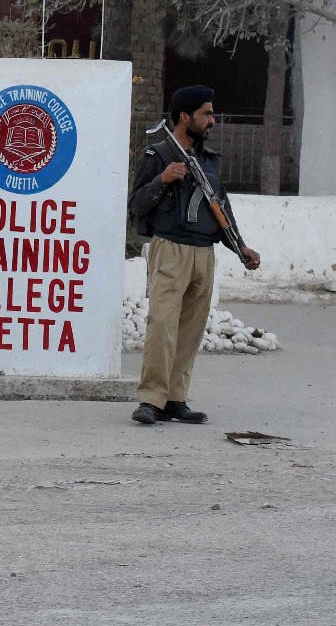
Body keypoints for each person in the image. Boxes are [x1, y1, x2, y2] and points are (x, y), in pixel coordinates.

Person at [128, 85, 261, 426]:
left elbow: (221, 208)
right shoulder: (157, 156)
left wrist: (240, 246)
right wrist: (162, 179)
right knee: (162, 325)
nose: (212, 120)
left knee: (190, 330)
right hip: (170, 249)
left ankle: (175, 399)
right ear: (185, 117)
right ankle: (150, 399)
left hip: (205, 253)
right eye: (206, 113)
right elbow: (136, 204)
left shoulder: (209, 161)